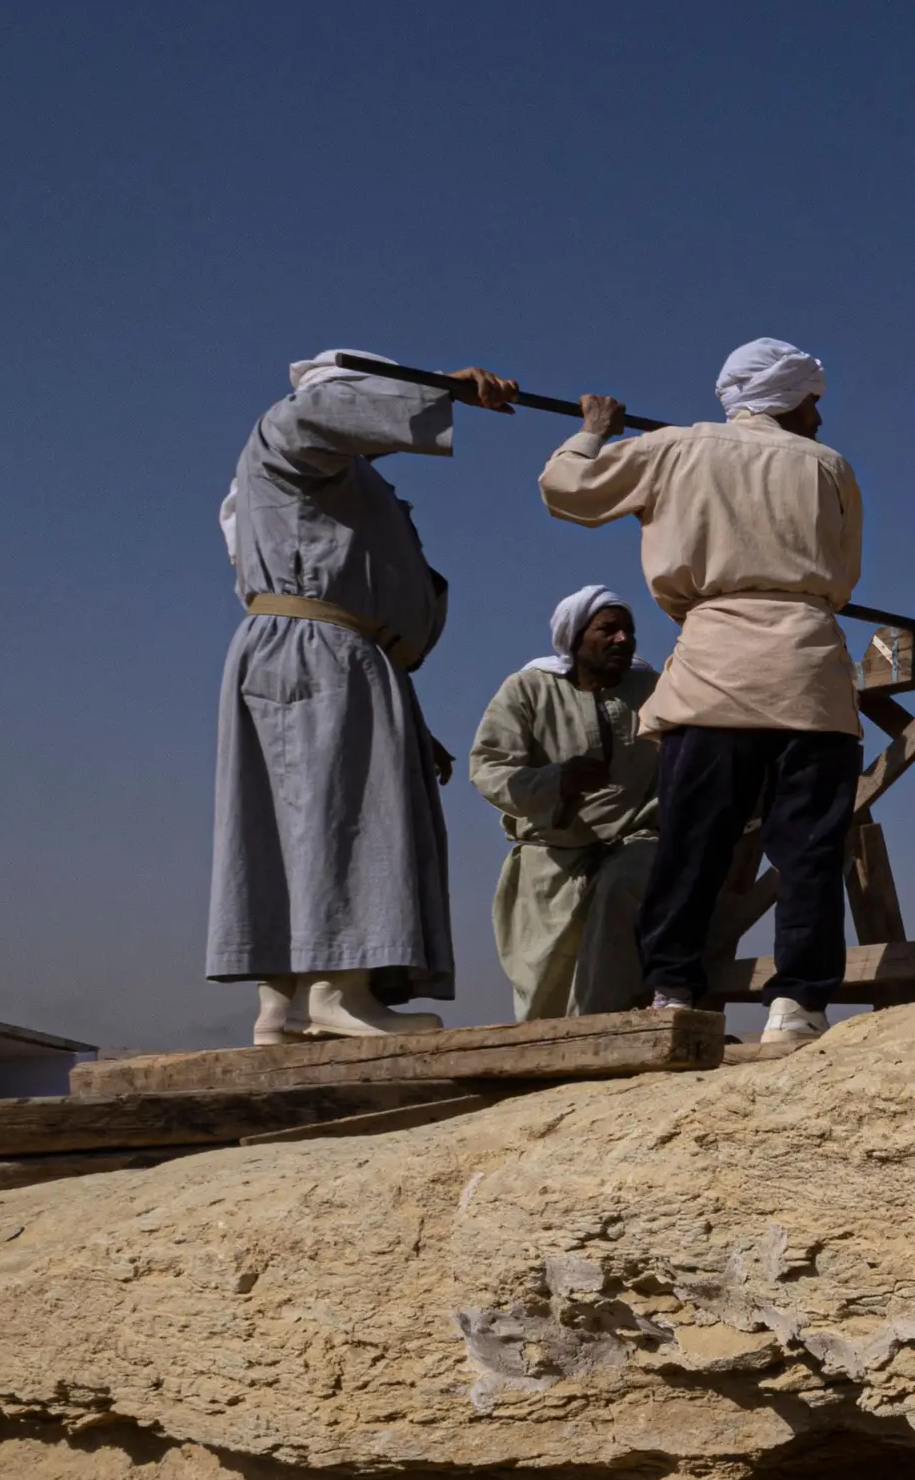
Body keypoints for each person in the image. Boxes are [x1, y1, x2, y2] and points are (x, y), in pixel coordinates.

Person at [536, 338, 865, 1051]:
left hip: (715, 668)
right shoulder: (829, 467)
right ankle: (798, 1009)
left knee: (691, 843)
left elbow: (569, 492)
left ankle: (673, 992)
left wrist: (593, 431)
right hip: (808, 670)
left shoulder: (673, 448)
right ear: (790, 398)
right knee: (807, 847)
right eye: (813, 401)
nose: (819, 416)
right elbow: (842, 578)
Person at [208, 348, 517, 1042]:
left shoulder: (336, 479)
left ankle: (284, 1003)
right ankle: (339, 992)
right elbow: (314, 414)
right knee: (337, 815)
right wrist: (441, 388)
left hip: (337, 657)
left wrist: (408, 718)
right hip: (315, 650)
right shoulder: (287, 437)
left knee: (303, 818)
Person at [468, 586, 661, 1019]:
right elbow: (489, 767)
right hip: (549, 855)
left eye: (628, 631)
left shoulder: (651, 688)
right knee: (543, 987)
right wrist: (558, 781)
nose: (623, 640)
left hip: (636, 842)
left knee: (623, 894)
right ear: (574, 637)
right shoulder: (528, 689)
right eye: (608, 630)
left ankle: (601, 1032)